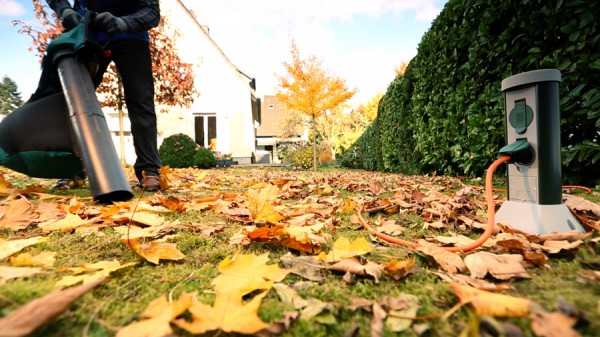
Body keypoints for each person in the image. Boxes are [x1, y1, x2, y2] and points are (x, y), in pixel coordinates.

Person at [46, 0, 162, 191]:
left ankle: (149, 169)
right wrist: (64, 9)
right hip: (86, 34)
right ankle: (73, 169)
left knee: (141, 101)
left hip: (131, 37)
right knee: (74, 100)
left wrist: (123, 23)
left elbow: (151, 12)